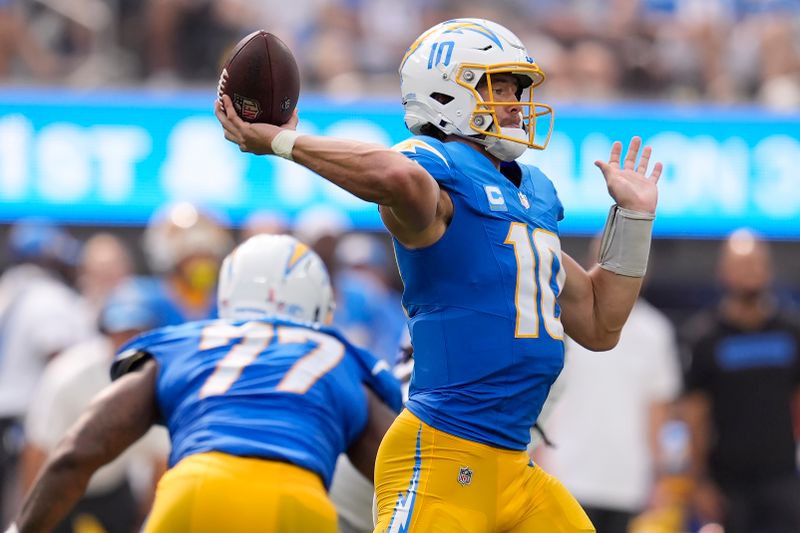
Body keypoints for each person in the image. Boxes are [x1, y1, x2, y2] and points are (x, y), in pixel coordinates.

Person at [216, 18, 662, 532]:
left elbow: (603, 324)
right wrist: (285, 142)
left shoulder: (530, 197)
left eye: (517, 88)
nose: (516, 101)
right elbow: (396, 176)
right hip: (443, 456)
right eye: (499, 85)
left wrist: (634, 219)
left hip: (514, 465)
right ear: (446, 91)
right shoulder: (434, 169)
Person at [6, 234, 402, 533]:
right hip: (297, 503)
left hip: (196, 491)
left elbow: (79, 451)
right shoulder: (343, 359)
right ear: (321, 304)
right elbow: (403, 474)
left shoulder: (184, 344)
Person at [540, 241, 682, 533]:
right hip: (567, 474)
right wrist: (536, 458)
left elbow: (658, 411)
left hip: (628, 481)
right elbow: (541, 394)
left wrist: (659, 477)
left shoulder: (655, 331)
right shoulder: (559, 320)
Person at [19, 281, 169, 533]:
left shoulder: (153, 381)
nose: (129, 341)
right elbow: (37, 448)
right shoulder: (68, 375)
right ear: (106, 331)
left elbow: (159, 460)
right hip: (59, 486)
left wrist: (147, 519)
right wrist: (29, 517)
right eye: (122, 332)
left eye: (138, 332)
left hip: (113, 487)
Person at [681, 229, 800, 533]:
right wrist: (701, 482)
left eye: (756, 265)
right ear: (723, 272)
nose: (750, 273)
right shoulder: (704, 337)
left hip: (782, 478)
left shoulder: (791, 330)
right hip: (727, 484)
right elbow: (695, 415)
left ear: (769, 270)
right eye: (741, 266)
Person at [0, 220, 94, 522]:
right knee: (29, 517)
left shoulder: (8, 288)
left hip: (10, 421)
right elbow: (60, 359)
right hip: (29, 428)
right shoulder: (48, 295)